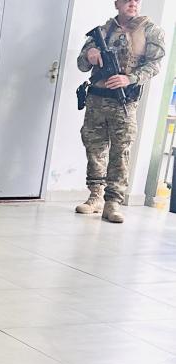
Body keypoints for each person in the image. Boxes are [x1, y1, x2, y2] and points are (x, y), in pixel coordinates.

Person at [76, 0, 165, 223]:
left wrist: (130, 78)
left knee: (121, 151)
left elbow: (154, 65)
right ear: (117, 3)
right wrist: (90, 54)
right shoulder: (102, 31)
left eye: (137, 0)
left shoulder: (150, 30)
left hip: (124, 101)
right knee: (94, 147)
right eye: (127, 0)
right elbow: (82, 64)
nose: (132, 3)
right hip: (96, 99)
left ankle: (113, 202)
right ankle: (95, 197)